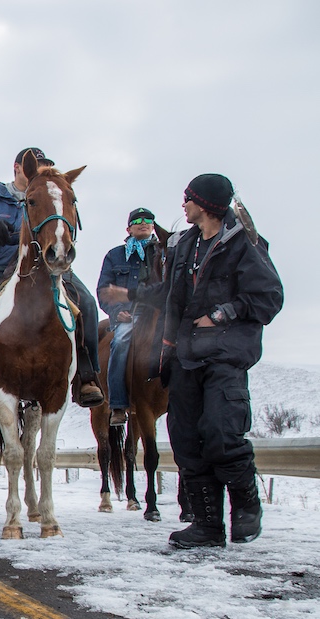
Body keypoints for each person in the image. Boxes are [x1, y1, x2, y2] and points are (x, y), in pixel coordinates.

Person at [123, 174, 282, 549]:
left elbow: (268, 297)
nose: (183, 205)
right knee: (186, 439)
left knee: (221, 431)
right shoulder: (183, 245)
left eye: (188, 198)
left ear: (207, 204)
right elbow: (169, 293)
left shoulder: (243, 243)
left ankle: (246, 507)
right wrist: (131, 294)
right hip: (184, 357)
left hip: (225, 355)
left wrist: (222, 314)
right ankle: (208, 526)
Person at [0, 147, 103, 410]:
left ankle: (87, 374)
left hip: (49, 262)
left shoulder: (53, 192)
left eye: (44, 166)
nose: (39, 171)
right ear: (18, 168)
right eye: (35, 166)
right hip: (4, 263)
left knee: (88, 303)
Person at [97, 207, 160, 427]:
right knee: (120, 342)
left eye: (148, 220)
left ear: (153, 226)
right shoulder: (115, 255)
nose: (143, 223)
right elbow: (104, 290)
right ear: (128, 228)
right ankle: (118, 404)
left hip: (158, 312)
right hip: (128, 315)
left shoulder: (162, 252)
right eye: (138, 220)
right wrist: (116, 312)